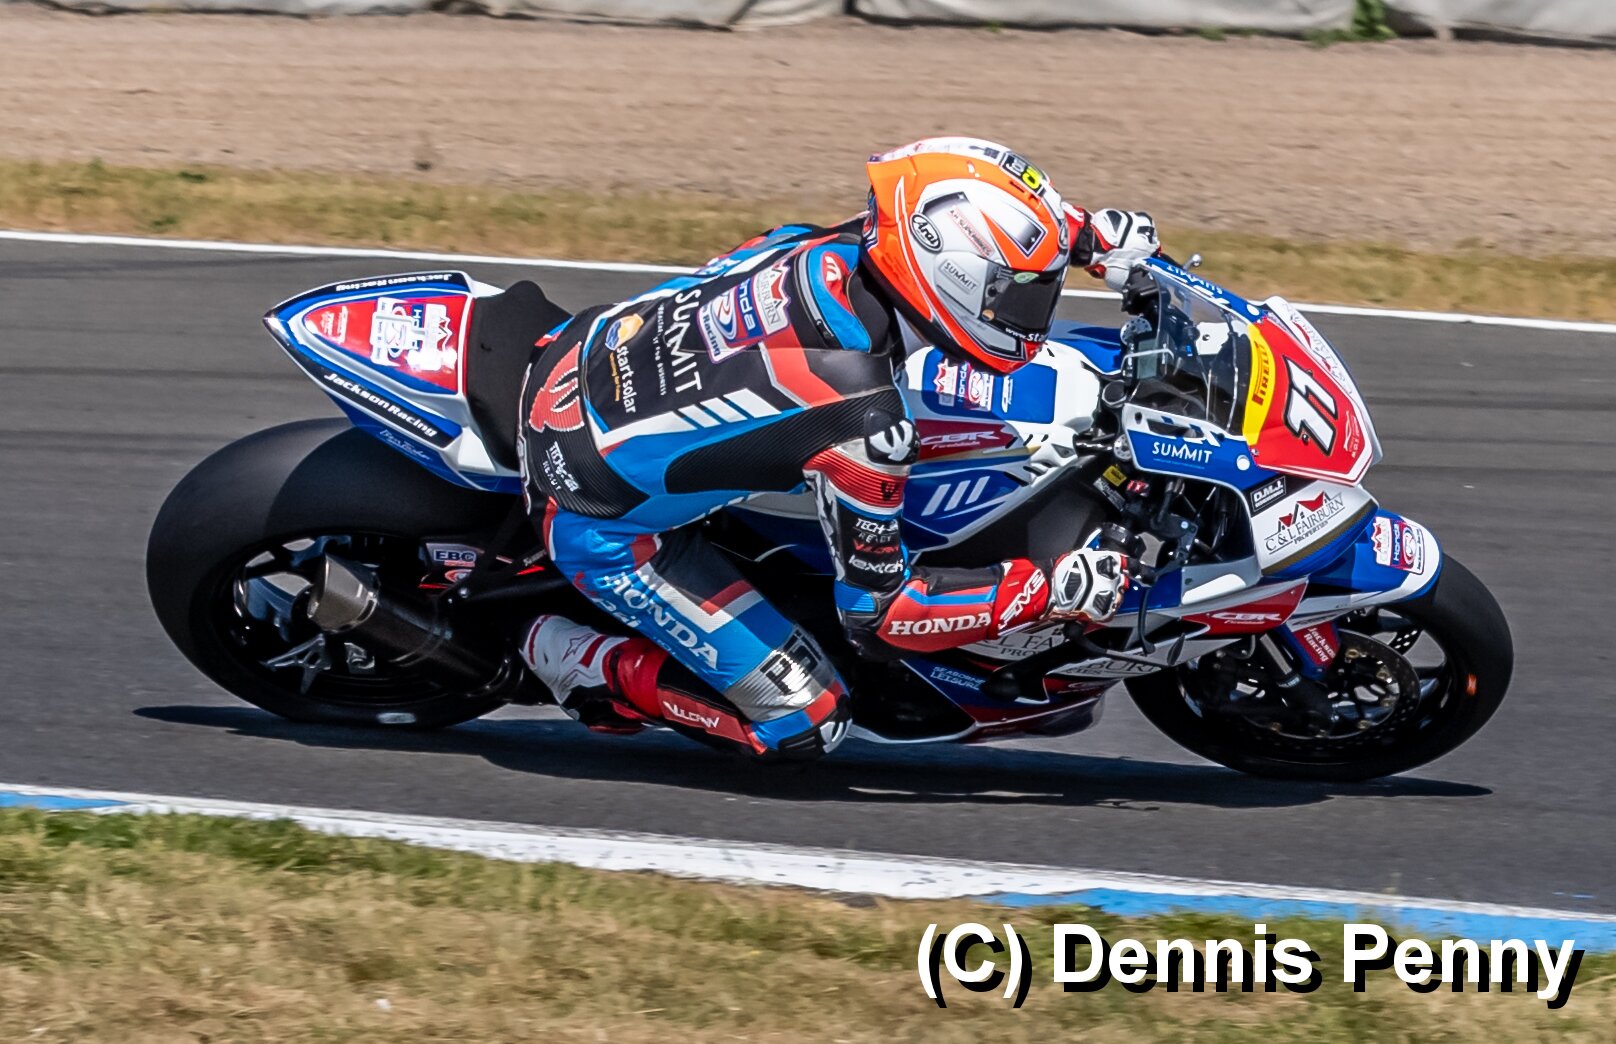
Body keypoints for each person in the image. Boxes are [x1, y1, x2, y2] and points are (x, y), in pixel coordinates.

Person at [512, 137, 1160, 760]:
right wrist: (1052, 589)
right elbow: (881, 616)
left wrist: (1086, 235)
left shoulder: (849, 245)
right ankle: (581, 661)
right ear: (955, 277)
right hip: (591, 514)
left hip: (582, 353)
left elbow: (964, 204)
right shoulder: (865, 422)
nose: (1033, 313)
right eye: (1019, 292)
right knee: (807, 721)